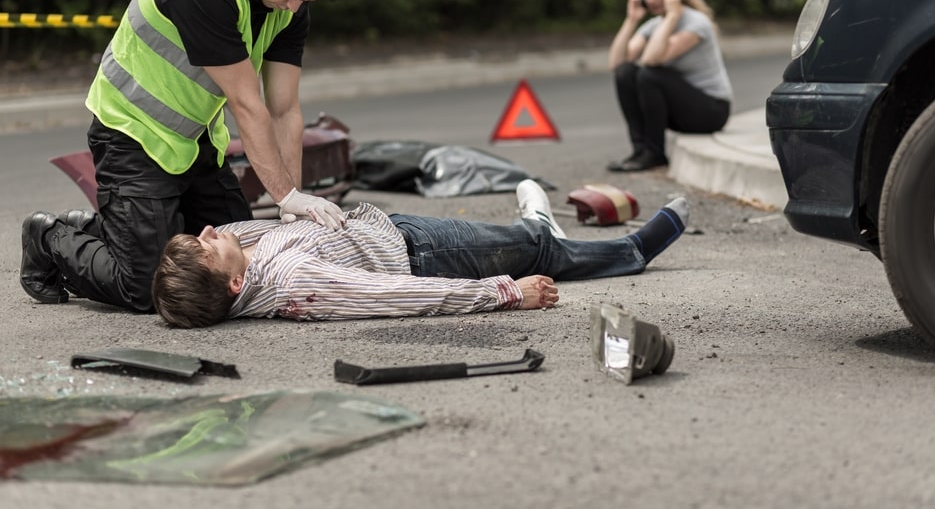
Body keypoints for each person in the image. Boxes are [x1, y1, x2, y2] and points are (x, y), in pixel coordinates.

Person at [20, 0, 352, 314]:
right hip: (132, 135)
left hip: (194, 142)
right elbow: (247, 105)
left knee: (237, 260)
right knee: (148, 288)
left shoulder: (289, 6)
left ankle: (129, 228)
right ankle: (51, 236)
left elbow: (284, 109)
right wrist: (286, 194)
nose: (294, 7)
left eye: (305, 2)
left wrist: (292, 206)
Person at [151, 180, 691, 328]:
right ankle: (630, 251)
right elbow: (399, 295)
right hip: (425, 256)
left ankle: (536, 231)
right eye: (206, 246)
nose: (208, 231)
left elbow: (232, 230)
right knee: (535, 252)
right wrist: (504, 293)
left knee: (530, 246)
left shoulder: (247, 262)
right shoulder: (296, 284)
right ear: (234, 287)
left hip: (394, 230)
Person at [606, 0, 733, 172]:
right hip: (680, 110)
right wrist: (631, 20)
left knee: (649, 74)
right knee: (625, 72)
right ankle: (640, 151)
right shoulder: (655, 25)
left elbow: (651, 59)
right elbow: (616, 63)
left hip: (711, 111)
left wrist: (673, 15)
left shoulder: (696, 23)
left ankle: (655, 153)